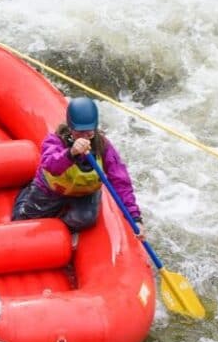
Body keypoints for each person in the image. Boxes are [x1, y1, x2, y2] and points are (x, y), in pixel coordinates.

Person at [11, 96, 144, 243]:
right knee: (22, 220)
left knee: (86, 220)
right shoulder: (55, 141)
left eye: (89, 133)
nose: (84, 137)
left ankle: (60, 229)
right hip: (52, 190)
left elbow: (120, 181)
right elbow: (50, 165)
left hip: (83, 193)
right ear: (70, 128)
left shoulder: (103, 146)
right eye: (79, 132)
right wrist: (70, 153)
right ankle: (27, 191)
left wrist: (135, 218)